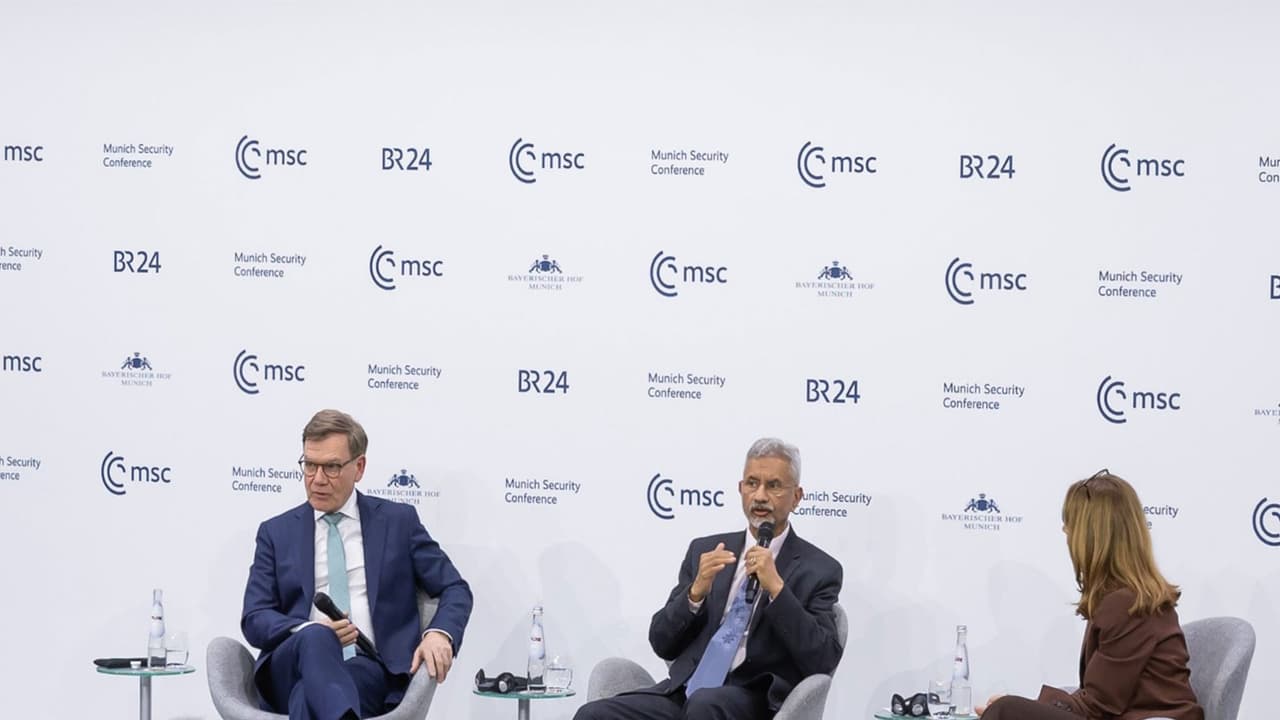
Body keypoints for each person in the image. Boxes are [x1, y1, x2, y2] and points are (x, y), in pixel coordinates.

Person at [575, 438, 844, 720]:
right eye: (752, 483)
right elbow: (662, 643)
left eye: (774, 486)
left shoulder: (819, 569)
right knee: (594, 714)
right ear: (740, 490)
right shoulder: (706, 551)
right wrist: (694, 595)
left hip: (752, 700)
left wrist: (776, 588)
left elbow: (822, 659)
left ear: (797, 497)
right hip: (685, 692)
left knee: (706, 705)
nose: (760, 496)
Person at [241, 409, 473, 720]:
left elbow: (454, 588)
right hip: (290, 664)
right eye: (309, 465)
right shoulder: (276, 532)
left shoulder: (397, 523)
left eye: (332, 467)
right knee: (315, 638)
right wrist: (310, 630)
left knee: (306, 699)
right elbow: (255, 617)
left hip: (368, 666)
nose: (317, 479)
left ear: (359, 467)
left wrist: (439, 633)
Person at [977, 470, 1203, 720]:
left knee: (1006, 710)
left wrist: (1021, 709)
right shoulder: (1130, 597)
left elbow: (1098, 707)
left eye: (1071, 527)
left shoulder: (1127, 604)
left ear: (1092, 537)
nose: (1066, 535)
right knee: (1009, 709)